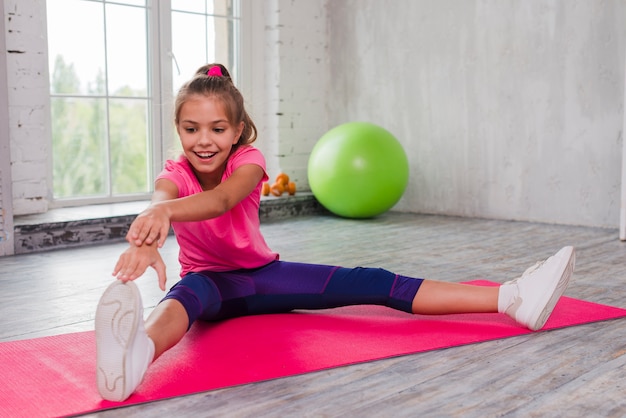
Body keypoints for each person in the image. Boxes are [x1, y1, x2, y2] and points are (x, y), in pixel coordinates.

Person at [95, 63, 576, 402]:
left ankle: (512, 297)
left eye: (217, 128)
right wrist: (150, 227)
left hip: (264, 277)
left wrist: (165, 215)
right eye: (191, 128)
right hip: (208, 282)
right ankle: (135, 356)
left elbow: (221, 200)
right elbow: (161, 199)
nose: (204, 140)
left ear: (239, 131)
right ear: (178, 131)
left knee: (371, 281)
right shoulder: (174, 172)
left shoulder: (249, 162)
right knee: (180, 304)